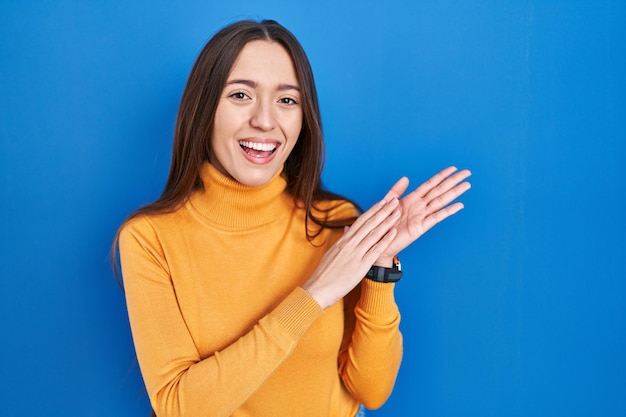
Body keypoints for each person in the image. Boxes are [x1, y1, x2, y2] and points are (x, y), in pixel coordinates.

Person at [113, 19, 471, 417]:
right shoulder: (150, 239)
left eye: (287, 100)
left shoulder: (336, 223)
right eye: (241, 95)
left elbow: (371, 390)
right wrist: (314, 294)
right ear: (204, 108)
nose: (266, 121)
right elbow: (179, 407)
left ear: (304, 119)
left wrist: (379, 266)